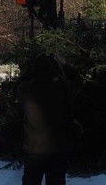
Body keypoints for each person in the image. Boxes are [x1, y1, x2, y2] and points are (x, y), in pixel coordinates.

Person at [17, 54, 76, 185]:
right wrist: (64, 65)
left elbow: (20, 82)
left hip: (34, 148)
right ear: (53, 70)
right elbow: (75, 80)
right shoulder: (61, 88)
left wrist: (29, 69)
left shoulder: (26, 90)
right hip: (58, 148)